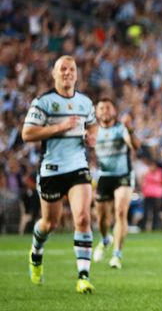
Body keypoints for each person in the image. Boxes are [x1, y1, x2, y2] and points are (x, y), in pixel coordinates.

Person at [22, 55, 98, 293]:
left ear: (77, 74)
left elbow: (93, 125)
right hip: (51, 169)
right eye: (62, 69)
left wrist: (92, 136)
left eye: (71, 69)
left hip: (77, 167)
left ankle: (83, 276)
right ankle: (36, 252)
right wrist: (59, 127)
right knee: (49, 223)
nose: (67, 73)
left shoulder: (85, 102)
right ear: (54, 74)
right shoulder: (43, 102)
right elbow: (27, 134)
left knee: (83, 218)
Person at [92, 98, 140, 269]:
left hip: (123, 176)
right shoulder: (93, 131)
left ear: (114, 111)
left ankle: (117, 255)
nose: (105, 111)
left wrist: (131, 129)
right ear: (96, 112)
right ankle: (105, 239)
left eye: (108, 108)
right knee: (102, 219)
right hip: (104, 176)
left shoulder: (121, 129)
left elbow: (135, 145)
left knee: (120, 212)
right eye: (101, 108)